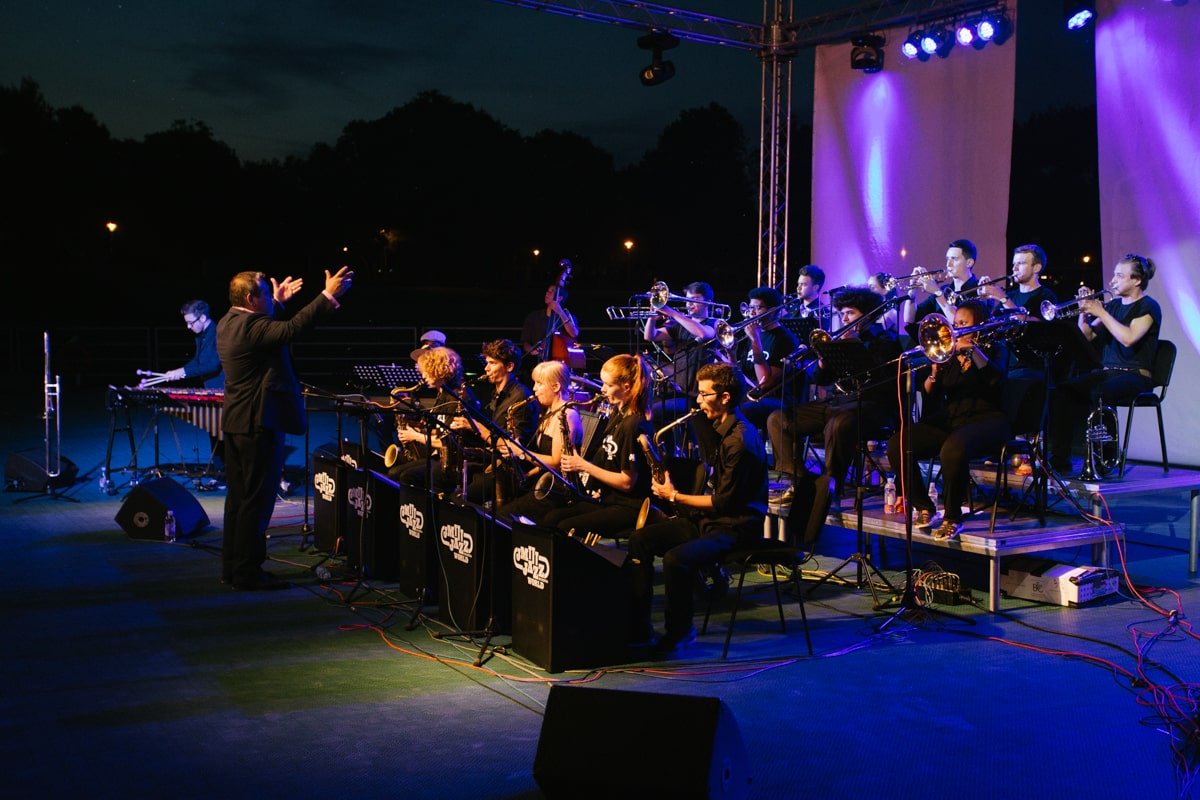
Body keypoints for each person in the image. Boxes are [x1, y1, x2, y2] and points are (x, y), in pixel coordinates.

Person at [217, 266, 353, 590]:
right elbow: (291, 329)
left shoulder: (228, 322)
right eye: (265, 293)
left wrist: (275, 302)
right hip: (258, 423)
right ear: (252, 299)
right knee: (257, 501)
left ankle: (234, 568)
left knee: (238, 499)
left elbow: (271, 329)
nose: (270, 297)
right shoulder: (253, 326)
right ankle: (248, 573)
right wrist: (328, 296)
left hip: (236, 422)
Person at [626, 362, 768, 656]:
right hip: (713, 520)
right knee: (640, 539)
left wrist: (674, 496)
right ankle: (638, 624)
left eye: (704, 395)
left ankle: (679, 633)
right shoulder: (718, 428)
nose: (698, 401)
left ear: (725, 397)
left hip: (737, 526)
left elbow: (724, 502)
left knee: (676, 559)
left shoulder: (741, 440)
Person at [885, 300, 1009, 540]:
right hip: (954, 419)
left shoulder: (996, 348)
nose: (956, 328)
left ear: (979, 325)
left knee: (953, 449)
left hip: (988, 419)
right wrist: (934, 372)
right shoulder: (950, 354)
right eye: (955, 324)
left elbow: (996, 381)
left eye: (963, 323)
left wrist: (973, 351)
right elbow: (932, 394)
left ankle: (952, 518)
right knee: (898, 443)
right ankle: (924, 506)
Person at [768, 287, 900, 499]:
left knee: (837, 424)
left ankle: (830, 489)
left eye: (850, 313)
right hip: (838, 402)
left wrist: (854, 346)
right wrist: (822, 361)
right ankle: (800, 482)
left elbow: (882, 380)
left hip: (871, 406)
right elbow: (821, 380)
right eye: (842, 314)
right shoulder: (839, 339)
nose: (844, 318)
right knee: (778, 419)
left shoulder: (885, 340)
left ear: (868, 314)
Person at [1048, 254, 1161, 475]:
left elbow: (1128, 338)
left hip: (1136, 375)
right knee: (1063, 391)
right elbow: (1086, 336)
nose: (1112, 281)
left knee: (1100, 391)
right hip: (1108, 373)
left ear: (1136, 280)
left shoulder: (1148, 306)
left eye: (1119, 276)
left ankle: (1105, 458)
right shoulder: (1115, 305)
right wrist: (1083, 312)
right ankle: (1060, 461)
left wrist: (1100, 311)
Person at [536, 353, 654, 538]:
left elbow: (627, 482)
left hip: (628, 505)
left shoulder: (634, 424)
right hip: (607, 498)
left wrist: (583, 465)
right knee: (551, 518)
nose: (603, 390)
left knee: (565, 525)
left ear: (626, 387)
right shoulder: (618, 414)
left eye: (608, 385)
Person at [497, 360, 583, 522]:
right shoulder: (549, 413)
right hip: (543, 484)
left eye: (539, 383)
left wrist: (521, 452)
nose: (534, 388)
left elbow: (557, 463)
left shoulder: (567, 416)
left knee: (503, 516)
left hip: (558, 491)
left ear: (556, 387)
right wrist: (526, 474)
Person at [453, 339, 536, 504]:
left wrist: (476, 427)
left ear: (509, 367)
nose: (486, 368)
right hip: (490, 460)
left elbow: (514, 447)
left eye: (492, 363)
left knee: (458, 500)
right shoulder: (496, 393)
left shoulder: (521, 397)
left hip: (509, 471)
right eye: (486, 362)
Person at [643, 280, 718, 433]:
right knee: (647, 407)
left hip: (699, 394)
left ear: (708, 302)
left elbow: (703, 333)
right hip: (679, 390)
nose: (689, 304)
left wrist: (671, 312)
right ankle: (667, 451)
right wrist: (652, 317)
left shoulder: (716, 323)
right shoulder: (680, 325)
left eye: (694, 300)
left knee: (655, 412)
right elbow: (649, 336)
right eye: (687, 300)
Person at [733, 286, 800, 435]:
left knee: (740, 410)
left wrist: (755, 339)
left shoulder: (785, 339)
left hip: (775, 397)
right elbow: (739, 373)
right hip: (750, 393)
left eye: (758, 308)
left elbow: (764, 382)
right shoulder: (750, 334)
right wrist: (730, 353)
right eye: (751, 307)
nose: (752, 313)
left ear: (774, 310)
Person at [901, 239, 984, 332]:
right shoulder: (944, 290)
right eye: (947, 259)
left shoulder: (981, 290)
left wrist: (937, 293)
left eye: (954, 259)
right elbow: (909, 319)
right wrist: (912, 291)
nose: (948, 264)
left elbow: (961, 325)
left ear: (969, 263)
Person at [143, 300, 224, 388]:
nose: (188, 327)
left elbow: (211, 365)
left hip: (222, 389)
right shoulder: (201, 336)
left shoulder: (217, 334)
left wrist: (183, 371)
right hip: (211, 387)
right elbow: (198, 360)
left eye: (191, 323)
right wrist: (178, 371)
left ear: (202, 318)